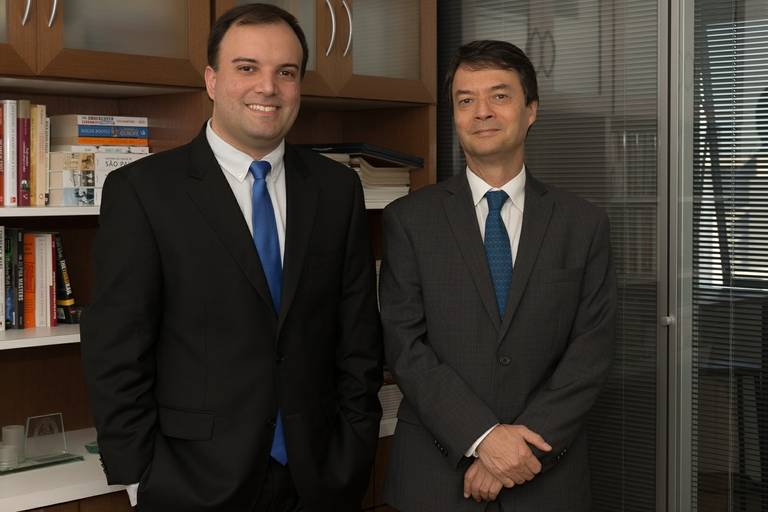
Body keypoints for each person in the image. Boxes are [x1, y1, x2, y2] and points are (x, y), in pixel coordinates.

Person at [80, 4, 382, 511]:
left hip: (320, 478)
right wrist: (140, 475)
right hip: (191, 482)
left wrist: (354, 448)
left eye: (286, 72)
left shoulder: (337, 189)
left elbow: (358, 337)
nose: (268, 87)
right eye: (247, 68)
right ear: (212, 80)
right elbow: (115, 347)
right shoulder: (143, 191)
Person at [379, 40, 616, 511]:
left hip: (547, 476)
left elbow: (590, 352)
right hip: (436, 477)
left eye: (500, 96)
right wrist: (482, 437)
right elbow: (405, 346)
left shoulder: (583, 224)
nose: (482, 112)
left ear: (531, 110)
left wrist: (518, 450)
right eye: (466, 100)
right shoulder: (409, 220)